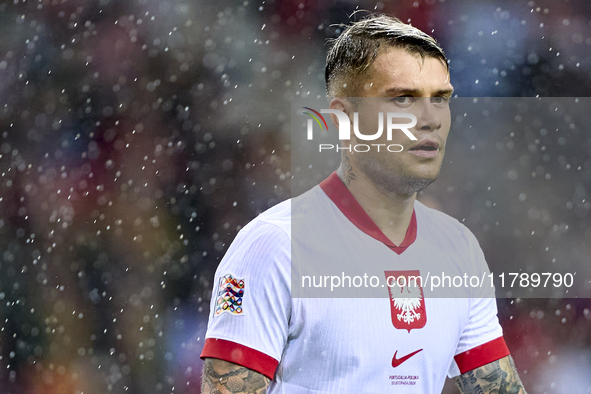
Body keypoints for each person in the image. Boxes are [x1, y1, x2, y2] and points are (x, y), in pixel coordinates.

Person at [200, 14, 527, 394]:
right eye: (403, 98)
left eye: (440, 98)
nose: (430, 119)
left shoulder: (459, 250)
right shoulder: (273, 247)